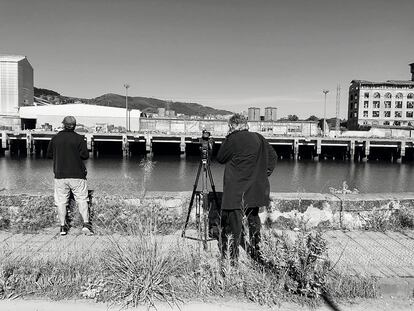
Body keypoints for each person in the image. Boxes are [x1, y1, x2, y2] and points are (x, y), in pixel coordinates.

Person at [216, 113, 277, 263]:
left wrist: (227, 137)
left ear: (233, 125)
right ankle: (257, 253)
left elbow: (220, 158)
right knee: (254, 220)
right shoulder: (258, 137)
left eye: (229, 126)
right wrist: (264, 173)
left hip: (236, 190)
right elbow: (273, 156)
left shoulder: (232, 139)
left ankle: (233, 259)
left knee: (234, 225)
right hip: (255, 188)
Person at [47, 116, 93, 236]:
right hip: (77, 175)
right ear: (75, 125)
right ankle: (86, 225)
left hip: (60, 175)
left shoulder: (55, 139)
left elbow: (49, 154)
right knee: (82, 199)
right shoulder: (79, 139)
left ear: (63, 124)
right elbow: (85, 156)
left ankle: (63, 227)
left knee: (61, 201)